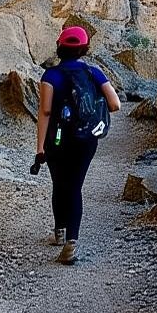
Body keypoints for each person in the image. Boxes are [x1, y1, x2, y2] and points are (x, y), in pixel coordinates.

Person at [32, 26, 121, 264]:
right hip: (85, 140)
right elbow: (115, 105)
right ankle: (71, 241)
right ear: (84, 49)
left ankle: (60, 233)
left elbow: (45, 112)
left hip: (57, 139)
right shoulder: (94, 73)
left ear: (59, 47)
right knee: (74, 187)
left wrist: (40, 148)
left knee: (59, 184)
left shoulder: (50, 76)